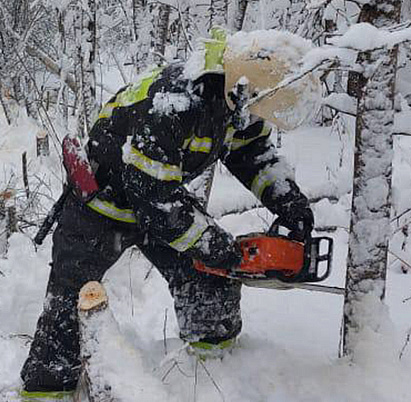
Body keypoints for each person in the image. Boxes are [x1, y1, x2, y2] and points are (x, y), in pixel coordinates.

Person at [21, 28, 320, 395]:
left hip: (161, 197)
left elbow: (251, 153)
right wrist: (215, 246)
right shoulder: (172, 103)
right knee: (68, 306)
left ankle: (214, 373)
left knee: (209, 280)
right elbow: (157, 205)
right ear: (244, 84)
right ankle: (45, 390)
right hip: (102, 206)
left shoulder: (238, 100)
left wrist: (289, 202)